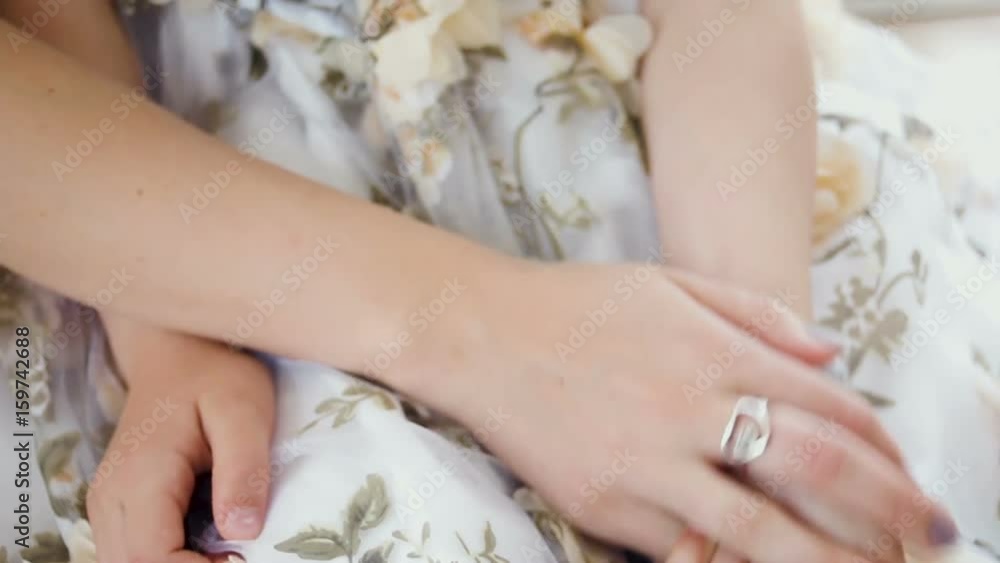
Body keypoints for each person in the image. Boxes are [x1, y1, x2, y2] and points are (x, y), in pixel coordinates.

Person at [0, 1, 997, 562]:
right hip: (187, 219)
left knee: (900, 455)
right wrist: (165, 334)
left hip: (670, 146)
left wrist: (755, 364)